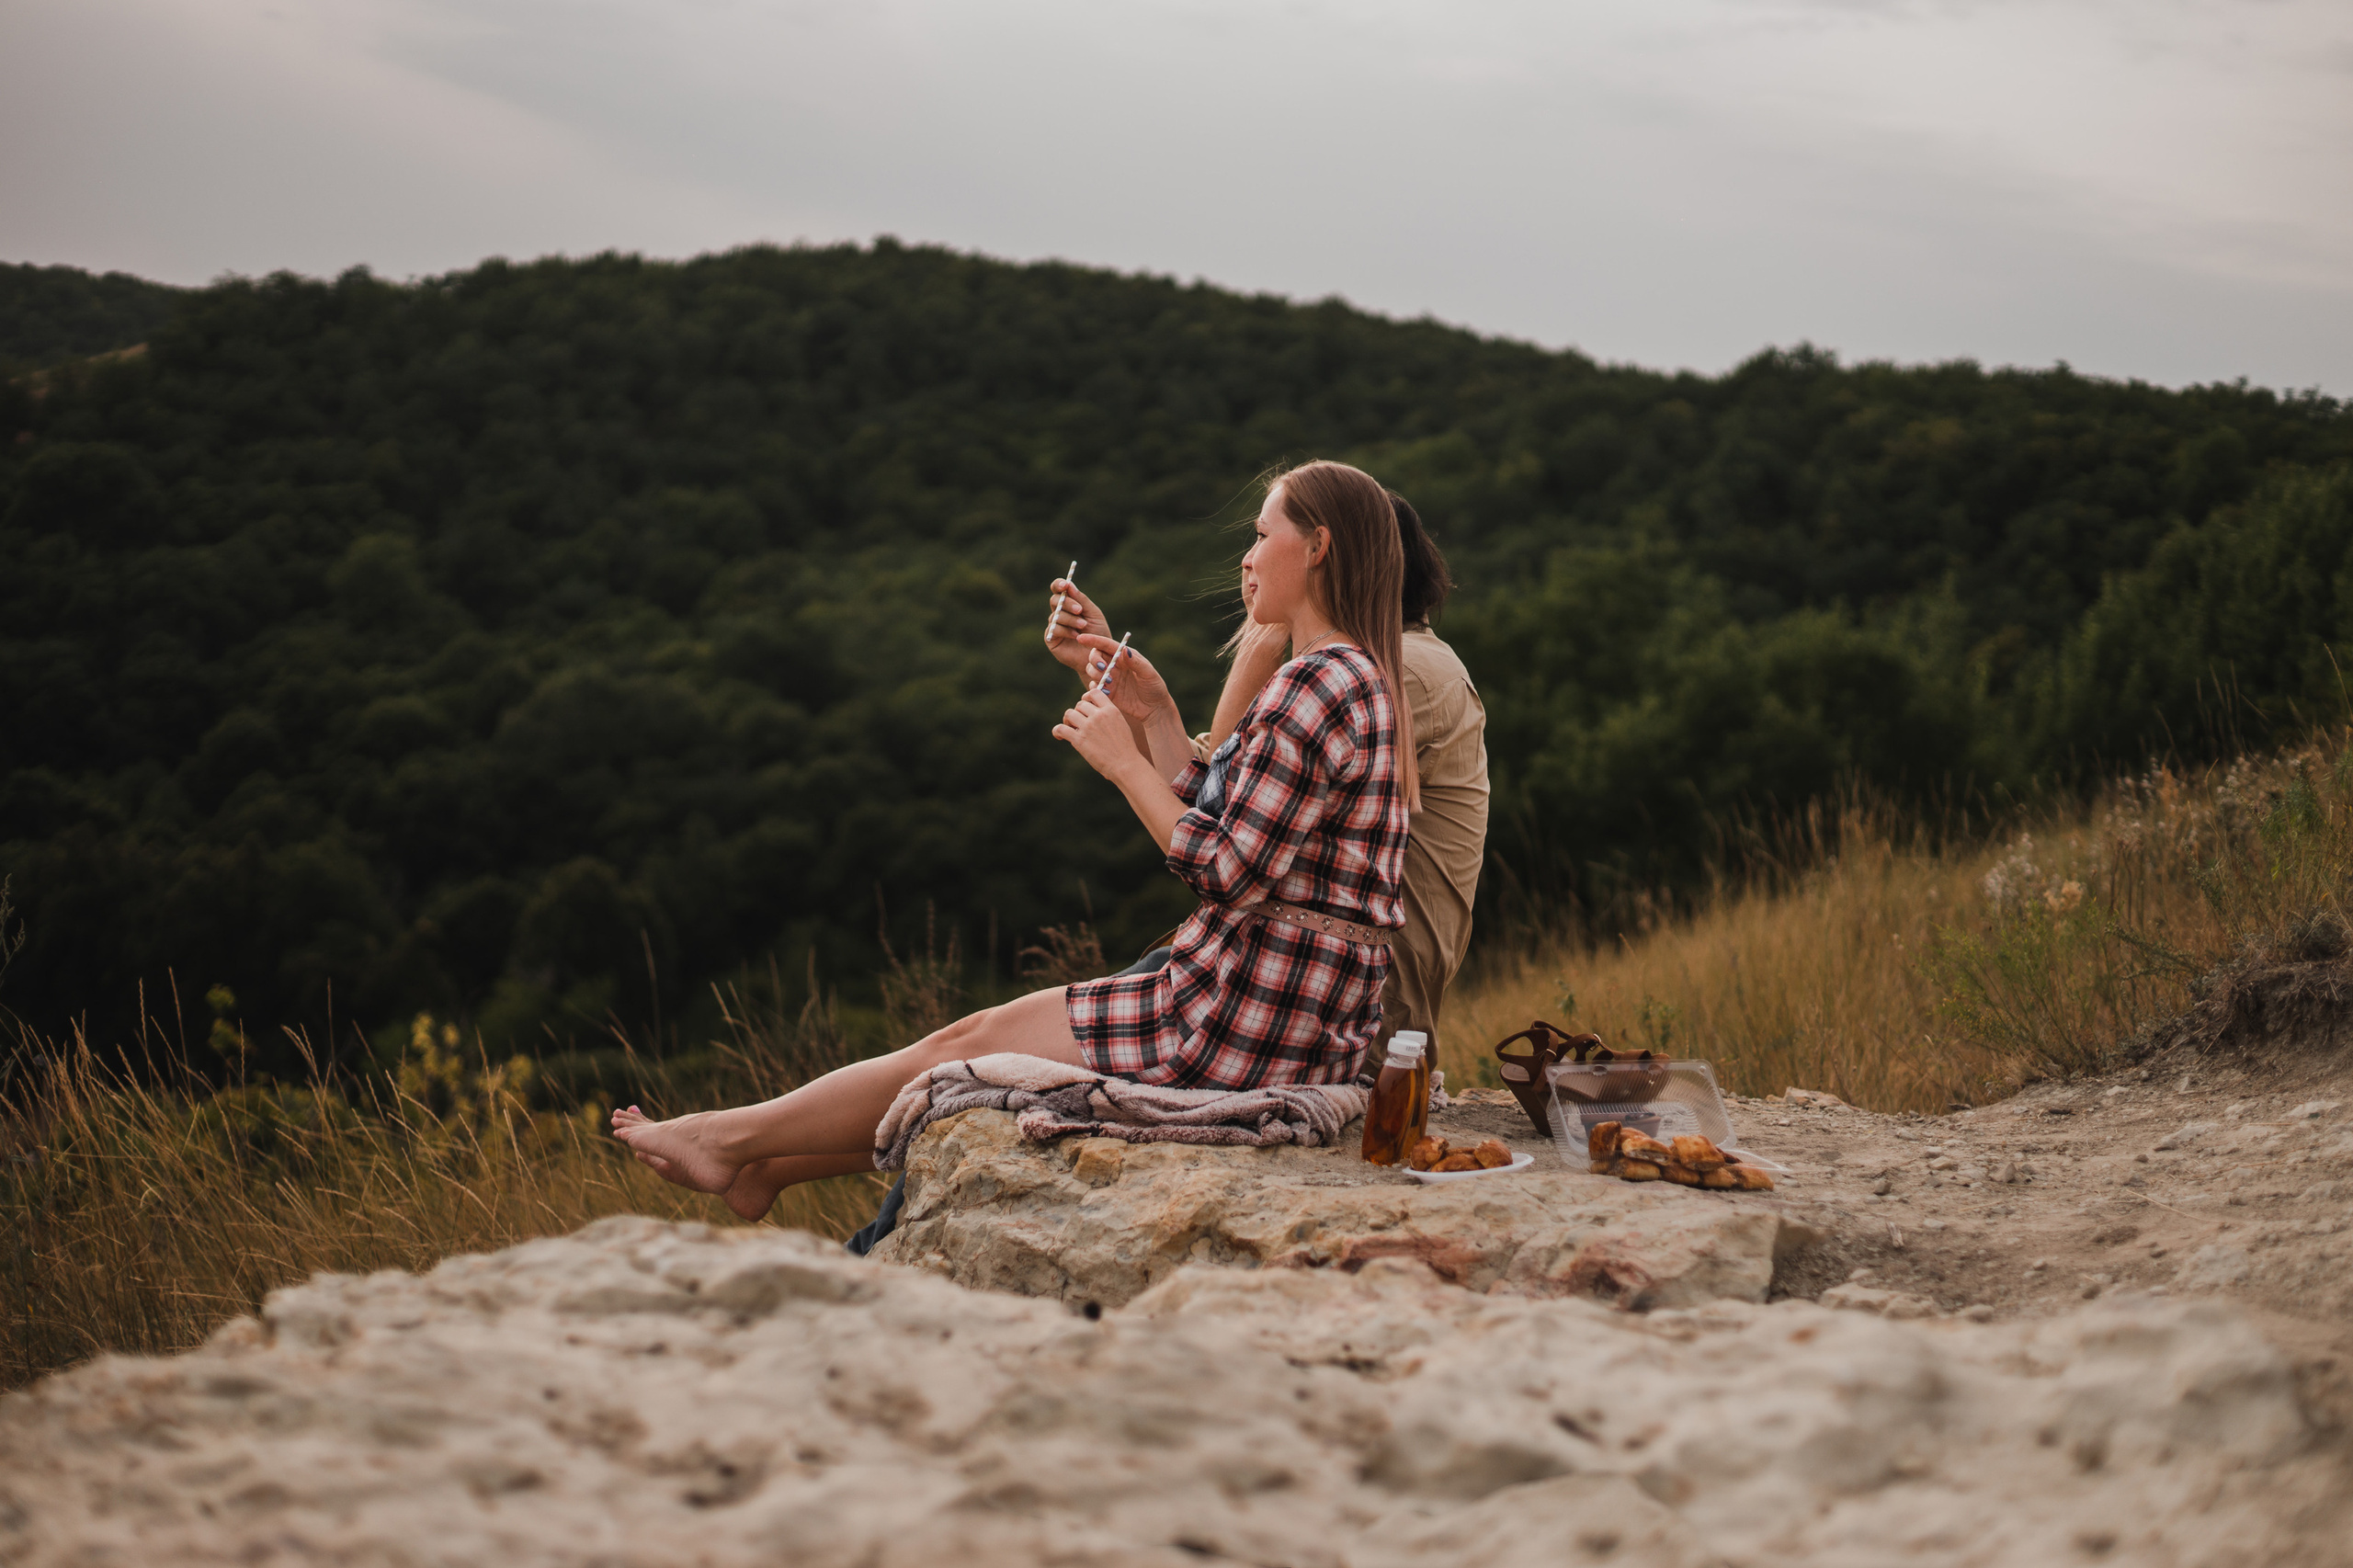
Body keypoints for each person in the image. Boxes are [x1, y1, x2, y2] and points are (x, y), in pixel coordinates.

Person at [611, 460, 1413, 1219]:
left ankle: (728, 1141)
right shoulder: (1352, 675)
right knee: (978, 1049)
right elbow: (1240, 821)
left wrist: (1121, 768)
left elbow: (1226, 868)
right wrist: (1156, 716)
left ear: (1318, 547)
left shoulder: (1316, 682)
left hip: (1246, 1017)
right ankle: (765, 1166)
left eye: (1261, 532)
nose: (1246, 555)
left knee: (975, 1042)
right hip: (1292, 1012)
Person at [1052, 494, 1487, 1058]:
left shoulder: (1392, 672)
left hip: (1335, 992)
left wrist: (1263, 641)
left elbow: (1222, 813)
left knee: (987, 1053)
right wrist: (1105, 674)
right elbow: (1219, 786)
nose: (1248, 559)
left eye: (1264, 538)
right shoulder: (1364, 663)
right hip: (1289, 958)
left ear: (1327, 554)